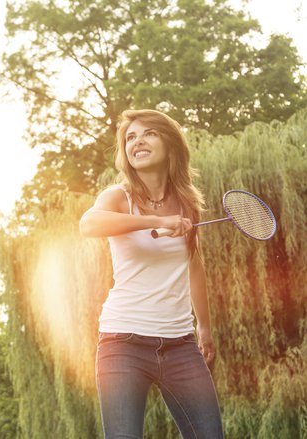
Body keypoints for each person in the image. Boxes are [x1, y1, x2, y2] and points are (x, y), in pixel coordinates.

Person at [79, 109, 223, 439]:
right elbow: (88, 224)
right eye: (130, 137)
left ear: (169, 143)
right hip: (123, 342)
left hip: (181, 345)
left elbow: (194, 264)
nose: (137, 141)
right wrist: (156, 221)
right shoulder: (118, 196)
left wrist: (204, 326)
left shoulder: (187, 203)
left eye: (148, 134)